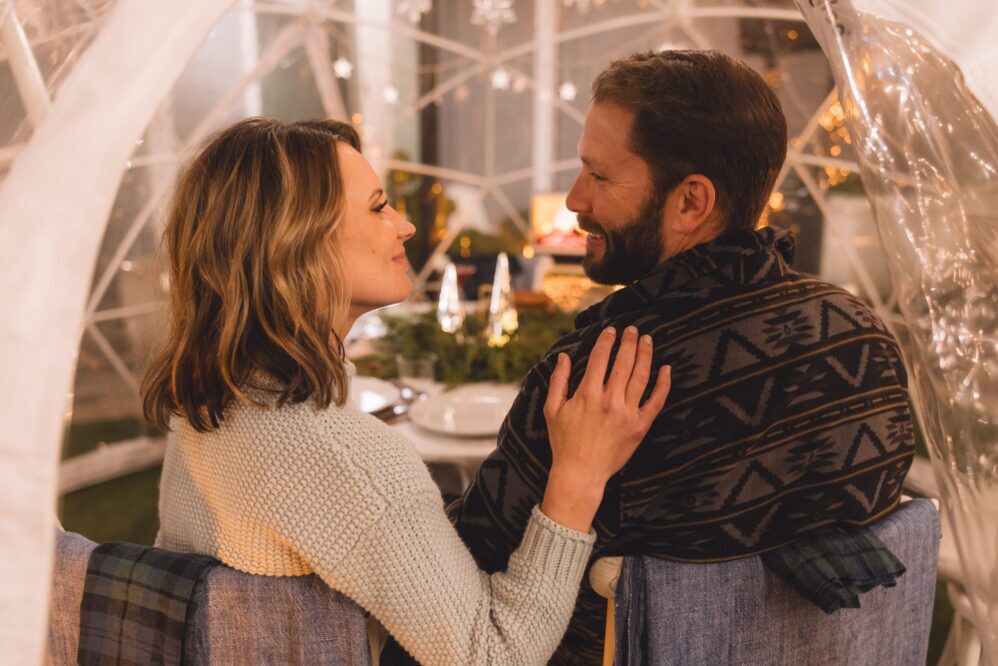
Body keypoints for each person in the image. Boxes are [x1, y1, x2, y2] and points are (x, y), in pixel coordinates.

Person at [143, 117, 673, 665]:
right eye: (377, 207)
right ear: (297, 244)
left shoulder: (208, 399)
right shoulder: (344, 460)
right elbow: (495, 655)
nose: (404, 226)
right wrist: (579, 477)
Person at [448, 50, 916, 663]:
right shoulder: (861, 339)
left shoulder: (602, 380)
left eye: (600, 176)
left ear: (691, 202)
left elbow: (468, 577)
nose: (573, 198)